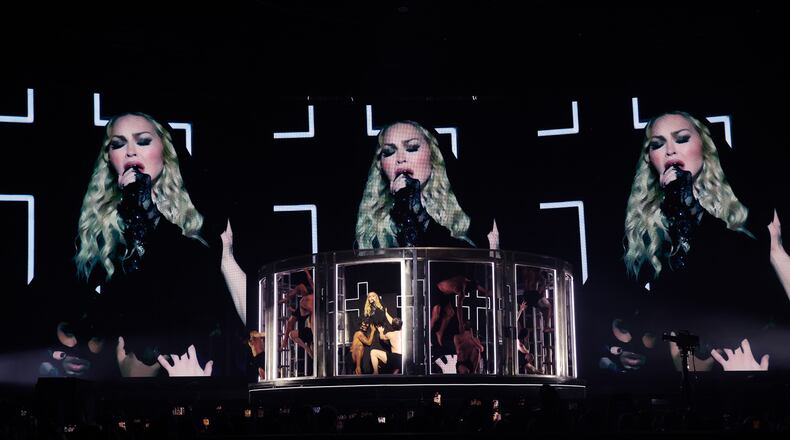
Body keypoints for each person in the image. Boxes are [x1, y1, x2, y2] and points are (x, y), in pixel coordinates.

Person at [74, 112, 242, 377]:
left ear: (165, 150)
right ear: (110, 160)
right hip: (126, 380)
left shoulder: (200, 219)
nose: (130, 152)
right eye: (118, 144)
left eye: (142, 141)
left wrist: (145, 208)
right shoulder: (97, 232)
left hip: (195, 373)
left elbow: (210, 299)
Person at [621, 110, 786, 372]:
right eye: (658, 144)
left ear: (705, 147)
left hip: (758, 360)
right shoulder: (645, 230)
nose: (670, 151)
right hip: (691, 373)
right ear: (650, 158)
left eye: (682, 138)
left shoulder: (748, 209)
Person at [355, 120, 498, 249]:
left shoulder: (465, 211)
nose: (400, 159)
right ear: (380, 164)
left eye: (411, 148)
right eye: (389, 152)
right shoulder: (371, 220)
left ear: (433, 155)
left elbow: (464, 264)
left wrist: (416, 211)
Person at [454, 291, 484, 374]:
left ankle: (474, 373)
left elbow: (481, 349)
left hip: (471, 364)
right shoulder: (458, 337)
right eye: (465, 323)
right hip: (462, 362)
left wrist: (471, 339)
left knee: (477, 350)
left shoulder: (474, 339)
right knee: (465, 370)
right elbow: (458, 350)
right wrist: (460, 301)